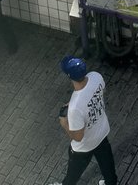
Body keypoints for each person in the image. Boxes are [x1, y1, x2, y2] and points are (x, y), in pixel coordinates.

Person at [53, 55, 119, 185]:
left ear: (69, 76)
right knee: (108, 167)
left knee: (73, 174)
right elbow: (100, 92)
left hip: (84, 146)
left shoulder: (75, 108)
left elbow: (78, 137)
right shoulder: (96, 76)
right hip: (101, 132)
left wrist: (64, 123)